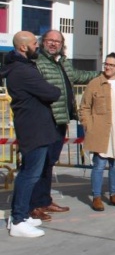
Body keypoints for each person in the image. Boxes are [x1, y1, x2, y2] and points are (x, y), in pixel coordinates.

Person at [30, 29, 100, 221]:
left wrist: (103, 73)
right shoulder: (37, 62)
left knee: (49, 163)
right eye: (50, 40)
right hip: (44, 120)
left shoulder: (63, 63)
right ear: (43, 42)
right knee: (38, 165)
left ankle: (44, 200)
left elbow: (79, 76)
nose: (53, 44)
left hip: (60, 120)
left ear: (62, 45)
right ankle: (34, 204)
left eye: (57, 41)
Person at [0, 31, 61, 238]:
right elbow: (52, 92)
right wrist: (52, 89)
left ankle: (21, 215)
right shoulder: (23, 71)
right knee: (29, 175)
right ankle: (18, 219)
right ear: (23, 47)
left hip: (35, 127)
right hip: (34, 129)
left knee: (28, 173)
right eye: (35, 43)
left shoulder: (23, 67)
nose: (38, 46)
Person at [78, 53, 115, 212]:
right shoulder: (95, 84)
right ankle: (96, 197)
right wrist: (88, 126)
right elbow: (84, 107)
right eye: (106, 64)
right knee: (99, 164)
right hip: (101, 130)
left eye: (111, 65)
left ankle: (114, 194)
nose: (107, 67)